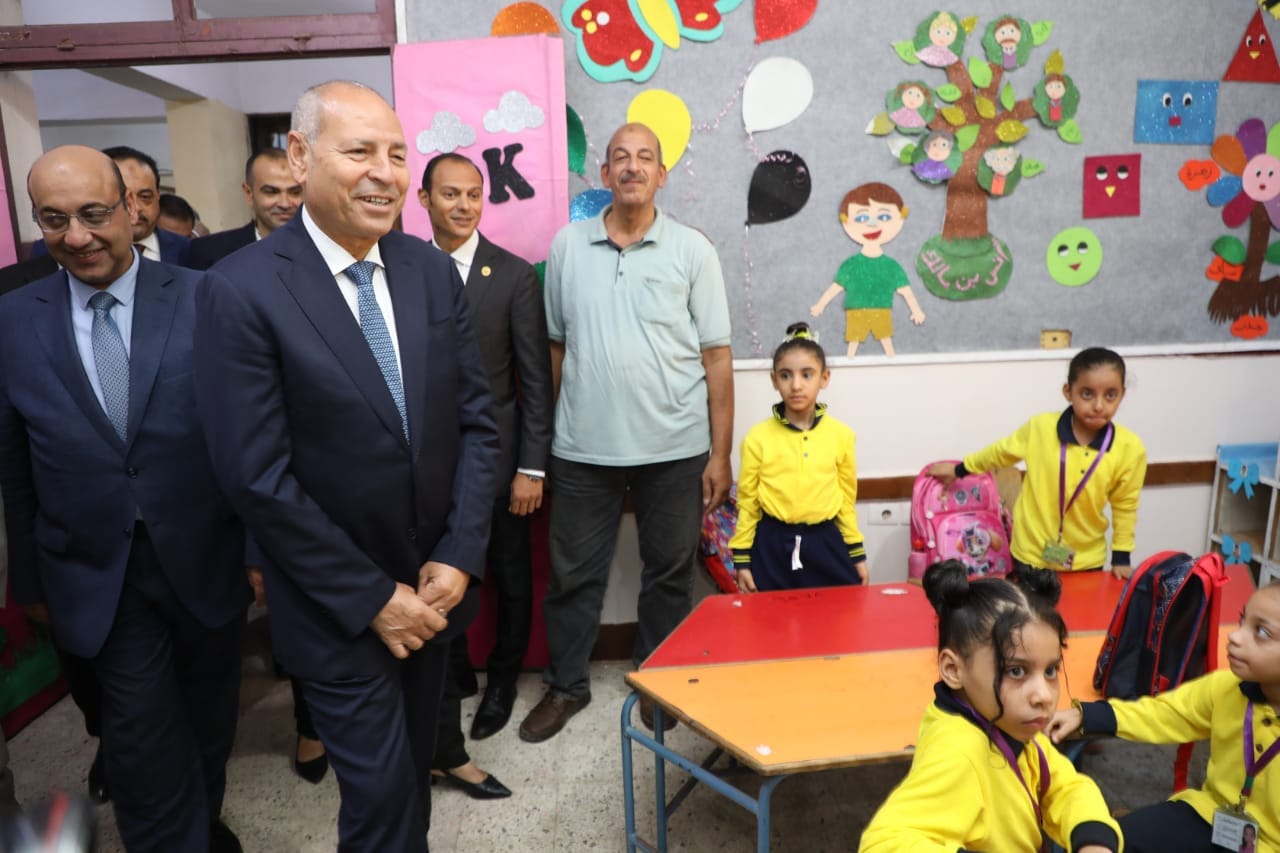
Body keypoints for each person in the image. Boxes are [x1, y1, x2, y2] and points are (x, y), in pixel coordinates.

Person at [193, 80, 500, 852]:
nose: (384, 173)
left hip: (434, 591)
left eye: (397, 154)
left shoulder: (429, 271)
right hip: (336, 608)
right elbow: (255, 474)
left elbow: (477, 423)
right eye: (360, 151)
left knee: (413, 790)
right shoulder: (241, 289)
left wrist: (460, 553)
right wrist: (372, 597)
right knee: (382, 803)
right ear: (300, 156)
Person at [0, 145, 249, 852]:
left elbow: (249, 436)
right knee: (140, 740)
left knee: (208, 724)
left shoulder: (205, 298)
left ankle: (200, 827)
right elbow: (14, 462)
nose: (76, 236)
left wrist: (263, 549)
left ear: (133, 209)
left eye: (93, 214)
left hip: (207, 556)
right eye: (54, 220)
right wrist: (29, 581)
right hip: (96, 570)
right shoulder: (12, 318)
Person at [520, 121, 733, 741]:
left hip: (675, 448)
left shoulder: (693, 250)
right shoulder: (567, 246)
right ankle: (566, 686)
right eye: (621, 157)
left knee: (669, 571)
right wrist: (541, 448)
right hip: (582, 449)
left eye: (645, 157)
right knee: (572, 577)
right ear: (605, 173)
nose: (632, 166)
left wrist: (719, 455)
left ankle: (656, 680)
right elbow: (555, 347)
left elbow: (716, 357)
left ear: (662, 174)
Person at [418, 151, 552, 786]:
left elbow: (534, 382)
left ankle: (502, 681)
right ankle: (453, 680)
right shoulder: (403, 267)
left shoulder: (515, 275)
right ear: (424, 200)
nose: (464, 205)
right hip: (426, 466)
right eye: (450, 194)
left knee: (510, 574)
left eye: (473, 194)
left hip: (499, 462)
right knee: (437, 575)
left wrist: (532, 467)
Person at [859, 560, 1121, 852]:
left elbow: (1064, 786)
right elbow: (885, 843)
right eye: (1016, 671)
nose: (1044, 695)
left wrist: (1094, 838)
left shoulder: (1010, 725)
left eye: (1050, 670)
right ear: (953, 669)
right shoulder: (959, 752)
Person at [1048, 580, 1280, 853]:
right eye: (1242, 621)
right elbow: (1164, 713)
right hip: (1213, 817)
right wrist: (1088, 715)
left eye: (1262, 632)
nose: (1235, 636)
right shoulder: (1226, 687)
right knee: (1108, 842)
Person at [927, 347, 1147, 578]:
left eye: (1110, 395)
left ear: (1122, 394)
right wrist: (959, 469)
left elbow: (1125, 505)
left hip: (1086, 560)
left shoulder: (1130, 448)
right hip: (1030, 555)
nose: (1099, 405)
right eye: (1087, 394)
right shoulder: (1040, 428)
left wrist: (1121, 557)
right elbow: (999, 452)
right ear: (1068, 392)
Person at [729, 322, 866, 592]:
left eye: (807, 374)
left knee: (837, 613)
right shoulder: (757, 438)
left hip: (825, 542)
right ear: (774, 380)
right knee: (771, 615)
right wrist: (742, 559)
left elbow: (846, 502)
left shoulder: (842, 436)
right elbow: (748, 502)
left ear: (824, 378)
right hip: (772, 545)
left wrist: (856, 553)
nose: (796, 385)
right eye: (785, 375)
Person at [810, 182, 926, 359]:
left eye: (884, 217)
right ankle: (850, 363)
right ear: (846, 221)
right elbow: (836, 287)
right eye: (862, 218)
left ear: (900, 217)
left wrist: (916, 310)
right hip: (856, 310)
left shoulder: (891, 266)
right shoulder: (851, 265)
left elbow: (905, 290)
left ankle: (892, 363)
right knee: (853, 343)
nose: (872, 224)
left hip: (882, 309)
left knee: (886, 342)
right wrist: (820, 304)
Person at [30, 146, 191, 266]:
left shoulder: (190, 250)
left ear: (157, 196)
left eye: (145, 197)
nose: (136, 207)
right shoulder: (46, 251)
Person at [188, 149, 303, 271]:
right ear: (249, 193)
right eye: (271, 192)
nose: (284, 204)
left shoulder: (317, 247)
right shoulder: (210, 252)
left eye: (295, 192)